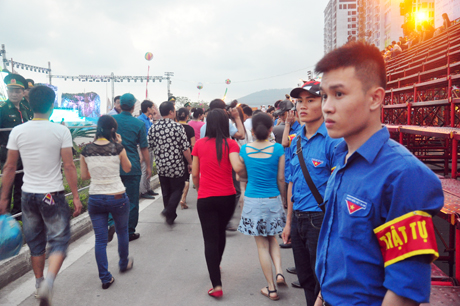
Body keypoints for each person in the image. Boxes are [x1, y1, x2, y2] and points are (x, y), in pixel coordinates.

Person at [314, 42, 444, 306]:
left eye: (339, 94)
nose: (326, 106)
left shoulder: (404, 176)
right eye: (324, 95)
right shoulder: (340, 157)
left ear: (375, 98)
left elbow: (405, 290)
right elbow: (338, 250)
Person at [0, 85, 82, 305]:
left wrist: (4, 199)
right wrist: (75, 196)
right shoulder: (60, 131)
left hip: (27, 194)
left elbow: (9, 168)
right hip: (51, 195)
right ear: (52, 106)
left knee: (35, 243)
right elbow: (69, 166)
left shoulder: (18, 130)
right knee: (59, 240)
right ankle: (49, 282)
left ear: (30, 104)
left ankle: (38, 283)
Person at [280, 80, 342, 306]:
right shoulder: (296, 140)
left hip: (320, 219)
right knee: (305, 278)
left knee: (322, 282)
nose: (302, 106)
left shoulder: (334, 141)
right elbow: (292, 184)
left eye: (311, 100)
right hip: (298, 219)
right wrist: (288, 223)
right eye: (299, 101)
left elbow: (339, 191)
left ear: (324, 103)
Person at [192, 109, 244, 298]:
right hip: (227, 197)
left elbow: (195, 174)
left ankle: (217, 285)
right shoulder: (231, 144)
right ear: (225, 124)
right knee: (220, 233)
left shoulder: (199, 144)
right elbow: (238, 168)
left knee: (209, 239)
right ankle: (217, 264)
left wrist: (199, 190)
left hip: (206, 198)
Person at [237, 112, 287, 301]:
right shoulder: (278, 149)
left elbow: (242, 175)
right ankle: (280, 272)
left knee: (261, 245)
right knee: (272, 237)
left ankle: (271, 289)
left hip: (253, 200)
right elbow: (281, 178)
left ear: (252, 130)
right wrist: (282, 199)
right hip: (272, 198)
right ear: (271, 129)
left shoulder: (245, 150)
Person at [80, 115, 133, 289]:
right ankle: (123, 263)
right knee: (122, 231)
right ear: (113, 130)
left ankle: (105, 278)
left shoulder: (86, 150)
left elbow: (84, 176)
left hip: (95, 197)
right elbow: (127, 168)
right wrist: (121, 144)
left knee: (100, 240)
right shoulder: (118, 147)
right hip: (117, 195)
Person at [113, 93, 151, 241]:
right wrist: (148, 166)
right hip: (132, 167)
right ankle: (129, 232)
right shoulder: (139, 124)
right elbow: (144, 148)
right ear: (134, 106)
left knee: (113, 198)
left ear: (120, 105)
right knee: (132, 201)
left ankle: (111, 223)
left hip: (113, 166)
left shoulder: (111, 120)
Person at [148, 101, 192, 225]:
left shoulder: (153, 128)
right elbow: (185, 148)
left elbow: (149, 147)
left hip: (161, 165)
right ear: (171, 112)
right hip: (176, 165)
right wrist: (190, 162)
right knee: (178, 188)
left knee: (166, 191)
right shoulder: (178, 127)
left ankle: (170, 216)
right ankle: (169, 210)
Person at [0, 74, 34, 220]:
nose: (14, 94)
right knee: (7, 184)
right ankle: (4, 215)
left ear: (23, 92)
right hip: (7, 153)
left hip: (24, 153)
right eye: (11, 90)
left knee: (21, 182)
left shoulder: (26, 109)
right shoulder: (2, 110)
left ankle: (18, 214)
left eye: (17, 91)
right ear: (7, 91)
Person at [138, 100, 159, 200]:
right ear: (148, 108)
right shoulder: (141, 120)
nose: (154, 109)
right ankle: (143, 190)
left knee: (149, 168)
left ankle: (148, 188)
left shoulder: (147, 119)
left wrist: (154, 118)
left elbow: (153, 131)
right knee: (144, 168)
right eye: (152, 107)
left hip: (149, 146)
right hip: (143, 147)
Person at [177, 107, 195, 209]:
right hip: (187, 154)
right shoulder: (190, 129)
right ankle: (183, 198)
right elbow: (193, 144)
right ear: (188, 116)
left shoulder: (174, 127)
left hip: (175, 155)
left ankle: (177, 195)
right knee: (186, 177)